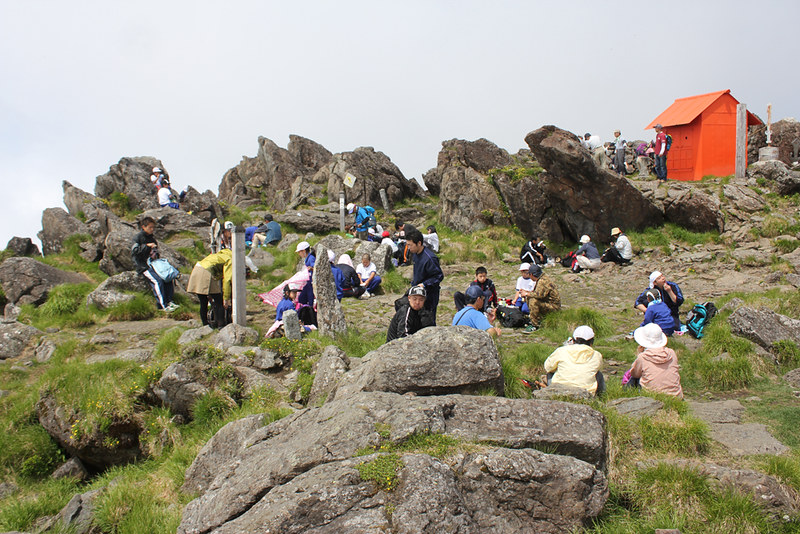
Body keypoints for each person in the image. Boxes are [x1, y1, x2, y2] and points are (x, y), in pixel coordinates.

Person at [131, 216, 178, 312]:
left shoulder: (151, 238)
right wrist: (147, 246)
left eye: (153, 227)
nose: (152, 230)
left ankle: (170, 301)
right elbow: (134, 252)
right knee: (158, 281)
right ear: (143, 227)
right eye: (150, 227)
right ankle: (163, 306)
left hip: (154, 264)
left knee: (167, 278)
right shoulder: (138, 238)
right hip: (143, 265)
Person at [543, 326, 605, 395]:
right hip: (586, 393)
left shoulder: (561, 351)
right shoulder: (596, 355)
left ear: (573, 340)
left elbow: (547, 367)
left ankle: (551, 392)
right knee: (598, 374)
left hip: (559, 390)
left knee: (551, 371)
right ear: (592, 341)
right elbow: (599, 368)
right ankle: (601, 396)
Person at [629, 323, 684, 398]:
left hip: (652, 396)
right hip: (676, 396)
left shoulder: (643, 357)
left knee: (633, 379)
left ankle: (628, 395)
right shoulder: (671, 353)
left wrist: (639, 354)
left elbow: (634, 374)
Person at [186, 246, 233, 328]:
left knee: (203, 301)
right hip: (207, 272)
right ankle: (221, 325)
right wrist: (226, 298)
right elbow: (227, 280)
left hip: (197, 269)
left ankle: (205, 325)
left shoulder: (217, 255)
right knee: (219, 300)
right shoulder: (230, 260)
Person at [406, 229, 443, 324]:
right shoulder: (415, 254)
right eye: (408, 245)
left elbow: (439, 276)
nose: (409, 248)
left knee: (427, 321)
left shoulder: (430, 258)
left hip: (429, 295)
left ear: (419, 243)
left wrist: (424, 284)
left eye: (410, 245)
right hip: (416, 291)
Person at [524, 264, 561, 333]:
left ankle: (535, 325)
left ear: (531, 274)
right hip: (548, 303)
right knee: (530, 297)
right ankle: (537, 318)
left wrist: (526, 293)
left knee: (533, 301)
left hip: (553, 307)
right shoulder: (543, 278)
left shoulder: (542, 281)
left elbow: (539, 295)